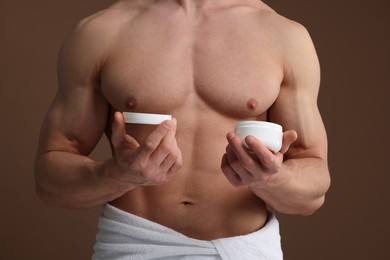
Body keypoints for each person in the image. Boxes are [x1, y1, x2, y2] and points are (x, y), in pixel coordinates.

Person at [34, 0, 330, 259]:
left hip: (243, 250)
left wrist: (271, 179)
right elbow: (49, 182)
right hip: (134, 246)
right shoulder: (101, 32)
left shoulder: (285, 37)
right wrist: (116, 174)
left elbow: (313, 190)